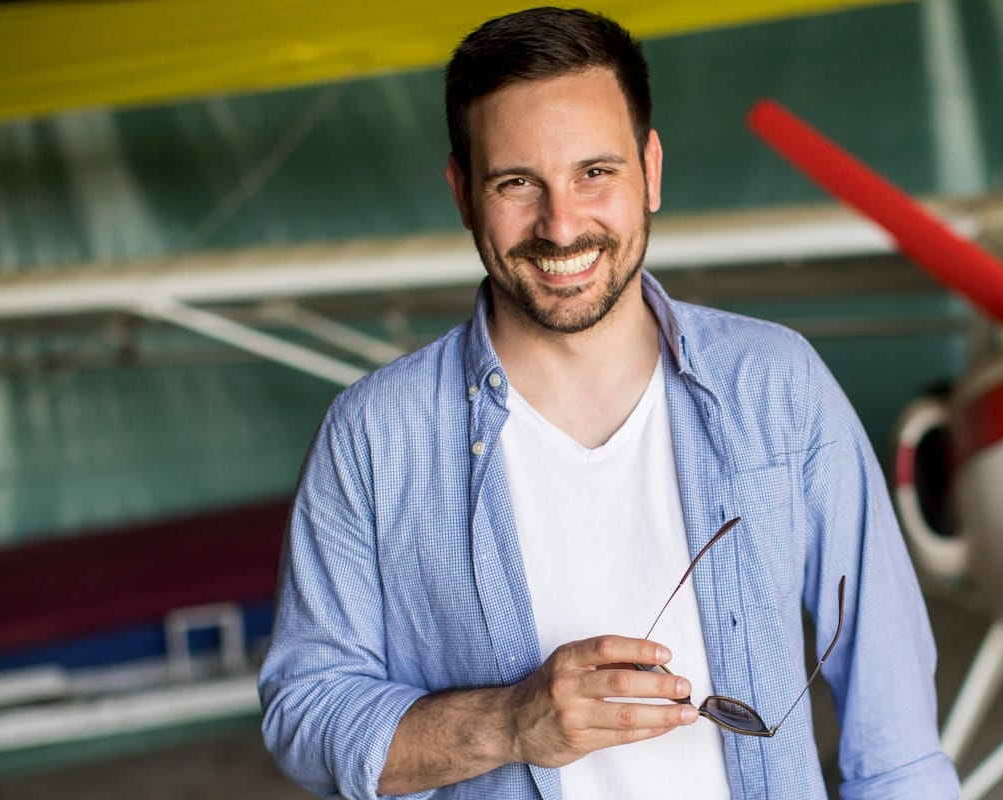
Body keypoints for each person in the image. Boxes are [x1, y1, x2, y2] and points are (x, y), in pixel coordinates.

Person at [258, 7, 957, 799]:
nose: (562, 226)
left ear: (650, 170)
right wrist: (512, 722)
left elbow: (892, 711)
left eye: (597, 172)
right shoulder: (374, 437)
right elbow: (306, 708)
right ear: (462, 193)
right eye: (517, 182)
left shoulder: (776, 383)